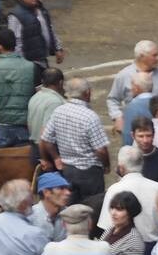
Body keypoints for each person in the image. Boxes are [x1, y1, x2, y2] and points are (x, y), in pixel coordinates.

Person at [40, 77, 110, 205]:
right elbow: (100, 149)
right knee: (94, 208)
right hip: (90, 172)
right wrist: (106, 165)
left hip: (68, 169)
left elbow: (46, 139)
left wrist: (56, 157)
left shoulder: (58, 111)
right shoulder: (90, 116)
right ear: (87, 93)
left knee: (71, 209)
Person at [0, 28, 40, 149]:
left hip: (1, 123)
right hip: (25, 123)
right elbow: (38, 97)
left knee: (5, 162)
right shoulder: (32, 67)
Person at [105, 41, 158, 138]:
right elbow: (112, 99)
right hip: (135, 130)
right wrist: (117, 117)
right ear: (142, 56)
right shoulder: (124, 75)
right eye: (154, 55)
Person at [8, 0, 64, 68]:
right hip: (27, 62)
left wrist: (57, 48)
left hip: (42, 57)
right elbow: (15, 41)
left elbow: (49, 29)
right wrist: (18, 63)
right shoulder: (15, 16)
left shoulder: (41, 9)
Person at [28, 67, 66, 164]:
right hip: (47, 152)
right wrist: (50, 158)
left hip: (35, 149)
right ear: (60, 82)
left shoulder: (35, 97)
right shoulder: (55, 102)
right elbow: (45, 134)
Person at [116, 72, 155, 148]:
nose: (131, 88)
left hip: (141, 151)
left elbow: (128, 137)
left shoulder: (132, 107)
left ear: (137, 88)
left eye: (132, 85)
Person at [31, 171, 73, 241]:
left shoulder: (70, 215)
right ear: (46, 192)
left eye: (67, 188)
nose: (68, 193)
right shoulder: (31, 217)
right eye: (61, 188)